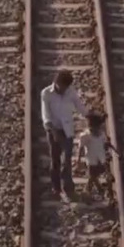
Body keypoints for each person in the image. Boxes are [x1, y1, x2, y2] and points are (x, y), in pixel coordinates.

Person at [39, 69, 87, 201]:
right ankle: (56, 187)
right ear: (56, 82)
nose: (64, 90)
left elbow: (80, 106)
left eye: (66, 87)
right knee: (55, 160)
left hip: (67, 130)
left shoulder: (71, 92)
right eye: (62, 86)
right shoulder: (46, 93)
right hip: (53, 130)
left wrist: (89, 115)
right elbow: (46, 115)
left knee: (67, 160)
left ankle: (68, 187)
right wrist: (53, 131)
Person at [76, 111, 119, 198]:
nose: (94, 129)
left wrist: (116, 152)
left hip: (101, 159)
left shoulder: (101, 135)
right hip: (91, 161)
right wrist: (78, 161)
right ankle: (92, 191)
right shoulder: (85, 136)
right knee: (93, 176)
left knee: (96, 176)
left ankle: (96, 190)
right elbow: (80, 148)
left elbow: (107, 144)